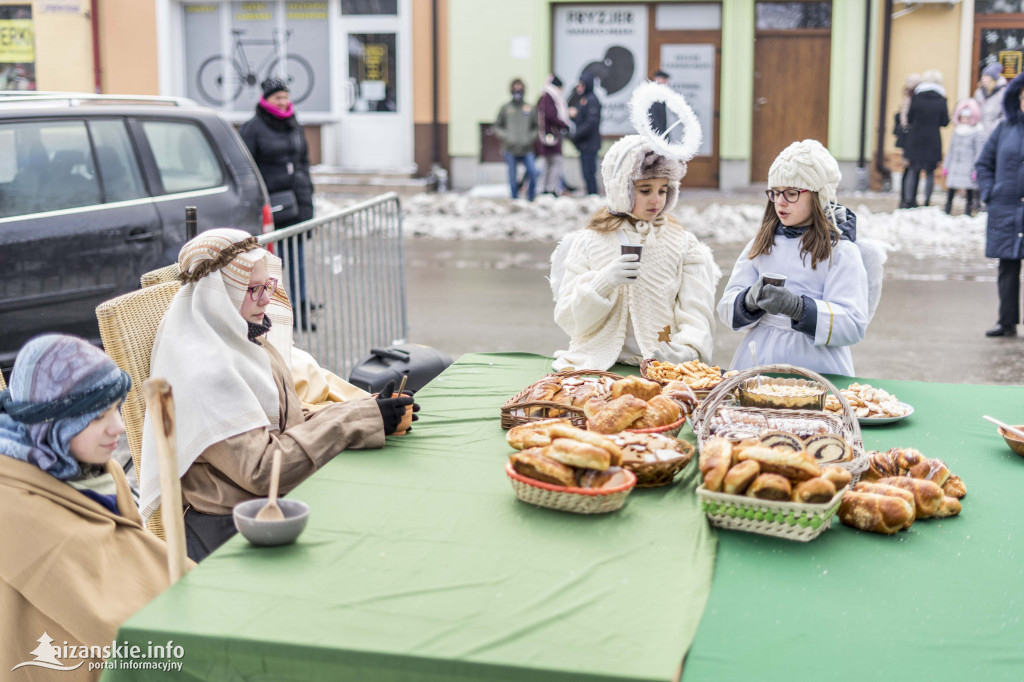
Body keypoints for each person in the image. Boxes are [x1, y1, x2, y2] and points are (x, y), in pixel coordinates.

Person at [140, 229, 417, 561]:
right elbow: (262, 469)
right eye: (252, 289)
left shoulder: (242, 341)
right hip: (231, 529)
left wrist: (368, 410)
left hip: (267, 504)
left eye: (267, 285)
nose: (266, 299)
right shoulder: (203, 370)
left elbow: (289, 420)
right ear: (218, 295)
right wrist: (356, 420)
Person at [0, 335, 185, 677]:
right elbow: (105, 619)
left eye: (116, 409)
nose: (118, 427)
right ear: (53, 424)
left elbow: (129, 555)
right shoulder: (15, 510)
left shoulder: (96, 469)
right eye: (99, 416)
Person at [552, 127, 719, 371]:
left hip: (662, 366)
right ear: (621, 189)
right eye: (645, 190)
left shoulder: (682, 243)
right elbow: (570, 320)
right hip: (596, 365)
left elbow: (696, 312)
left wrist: (688, 349)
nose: (656, 200)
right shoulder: (590, 241)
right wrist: (604, 281)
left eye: (663, 190)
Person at [717, 140, 869, 376]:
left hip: (817, 367)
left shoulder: (840, 251)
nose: (780, 202)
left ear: (818, 196)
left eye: (791, 193)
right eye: (775, 193)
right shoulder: (762, 244)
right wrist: (748, 300)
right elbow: (726, 307)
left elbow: (853, 324)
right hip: (758, 361)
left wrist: (798, 308)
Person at [239, 77, 315, 327]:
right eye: (278, 98)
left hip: (297, 200)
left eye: (286, 97)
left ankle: (301, 305)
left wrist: (307, 192)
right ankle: (279, 308)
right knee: (273, 262)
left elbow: (303, 161)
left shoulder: (294, 124)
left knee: (297, 256)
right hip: (272, 204)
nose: (283, 102)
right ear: (266, 99)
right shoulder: (254, 127)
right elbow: (245, 167)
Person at [975, 72, 1024, 338]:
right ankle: (1006, 322)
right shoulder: (1004, 129)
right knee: (1007, 266)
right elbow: (983, 163)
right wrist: (989, 191)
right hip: (1005, 208)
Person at [902, 70, 949, 208]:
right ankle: (927, 201)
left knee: (913, 169)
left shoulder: (917, 97)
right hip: (933, 138)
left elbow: (909, 117)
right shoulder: (941, 99)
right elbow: (945, 121)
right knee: (930, 171)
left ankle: (909, 200)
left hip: (915, 137)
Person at [494, 78, 539, 201]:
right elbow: (497, 126)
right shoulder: (505, 108)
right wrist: (507, 137)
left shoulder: (529, 108)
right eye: (515, 89)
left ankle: (531, 198)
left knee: (533, 172)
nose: (517, 91)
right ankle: (515, 199)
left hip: (527, 148)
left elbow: (536, 127)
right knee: (512, 177)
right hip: (510, 148)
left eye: (520, 89)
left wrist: (530, 138)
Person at [942, 99, 984, 216]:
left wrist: (976, 168)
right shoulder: (957, 131)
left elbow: (979, 151)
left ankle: (968, 210)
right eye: (962, 118)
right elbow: (951, 150)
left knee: (969, 188)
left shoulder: (976, 132)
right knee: (951, 188)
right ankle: (947, 207)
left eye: (967, 118)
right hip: (955, 165)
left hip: (968, 165)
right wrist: (946, 166)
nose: (964, 120)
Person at [535, 74, 569, 197]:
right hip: (551, 135)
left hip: (547, 135)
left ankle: (545, 189)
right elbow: (551, 116)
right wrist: (564, 125)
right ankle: (549, 189)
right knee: (554, 162)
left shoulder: (544, 97)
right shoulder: (550, 97)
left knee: (549, 163)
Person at [569, 72, 603, 196]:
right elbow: (584, 119)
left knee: (589, 173)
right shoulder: (584, 99)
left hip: (590, 144)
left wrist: (576, 135)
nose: (579, 88)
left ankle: (592, 197)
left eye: (581, 85)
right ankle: (590, 196)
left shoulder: (592, 100)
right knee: (586, 173)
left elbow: (591, 123)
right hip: (584, 144)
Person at [975, 62, 1007, 143]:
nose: (982, 78)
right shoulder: (978, 93)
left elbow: (1005, 116)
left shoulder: (1003, 94)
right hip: (978, 136)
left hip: (995, 137)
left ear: (993, 79)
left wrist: (991, 129)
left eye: (986, 76)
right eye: (982, 76)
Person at [649, 70, 670, 137]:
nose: (665, 82)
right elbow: (654, 117)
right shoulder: (652, 94)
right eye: (663, 79)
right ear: (656, 79)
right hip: (655, 134)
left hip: (658, 132)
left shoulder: (659, 93)